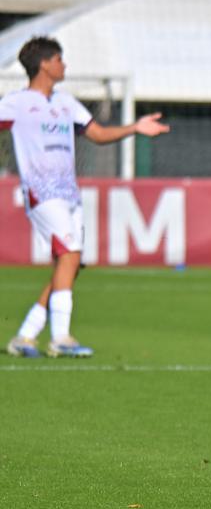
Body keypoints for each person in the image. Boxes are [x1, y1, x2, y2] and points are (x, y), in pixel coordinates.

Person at [3, 37, 169, 359]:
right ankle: (61, 337)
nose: (64, 65)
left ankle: (25, 335)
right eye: (60, 60)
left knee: (71, 264)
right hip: (42, 193)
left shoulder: (67, 103)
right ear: (45, 65)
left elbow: (98, 134)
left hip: (69, 194)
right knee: (69, 256)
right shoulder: (17, 104)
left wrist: (135, 127)